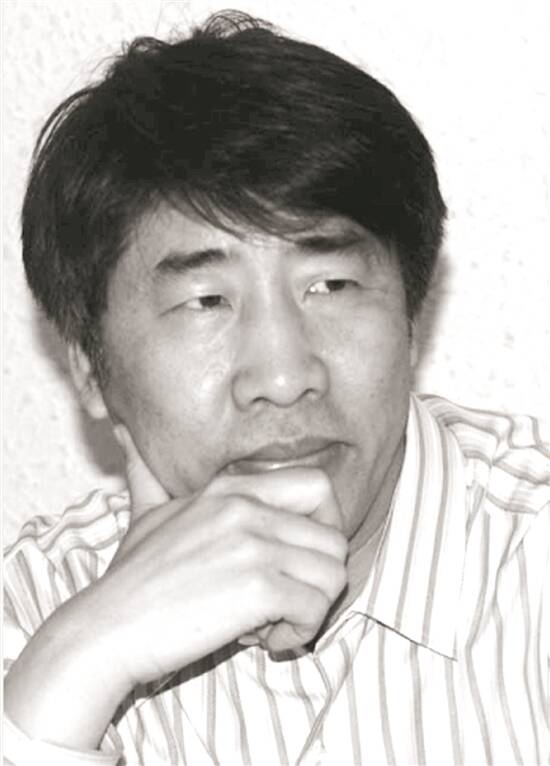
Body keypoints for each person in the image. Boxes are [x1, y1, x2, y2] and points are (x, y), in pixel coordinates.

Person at [3, 9, 548, 766]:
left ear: (411, 319)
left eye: (331, 285)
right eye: (206, 302)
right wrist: (76, 667)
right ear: (90, 369)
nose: (285, 379)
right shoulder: (33, 606)